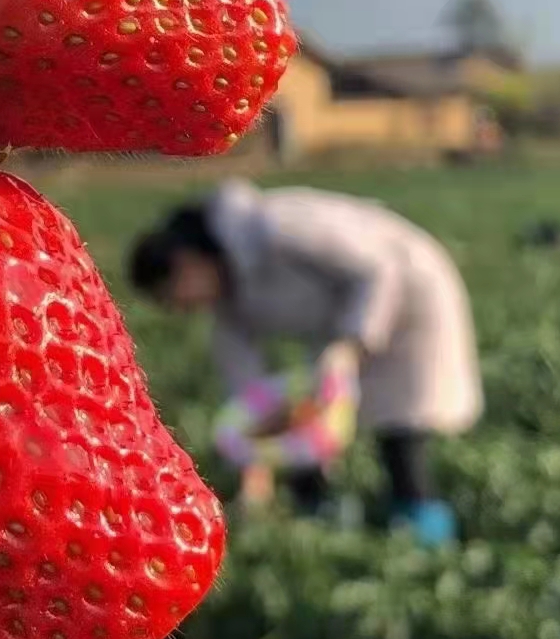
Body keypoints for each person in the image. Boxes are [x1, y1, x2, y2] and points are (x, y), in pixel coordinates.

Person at [128, 181, 484, 545]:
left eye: (173, 296)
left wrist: (349, 345)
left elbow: (376, 270)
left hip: (408, 293)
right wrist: (256, 464)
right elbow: (249, 397)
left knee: (403, 427)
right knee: (306, 419)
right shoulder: (228, 303)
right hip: (341, 326)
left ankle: (425, 530)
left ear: (186, 263)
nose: (181, 309)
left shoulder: (278, 225)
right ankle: (319, 514)